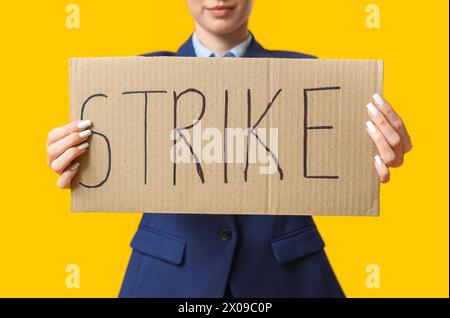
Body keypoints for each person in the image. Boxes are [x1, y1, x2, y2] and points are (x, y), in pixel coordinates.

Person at [46, 0, 412, 297]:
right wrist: (78, 160)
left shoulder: (308, 74)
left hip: (286, 278)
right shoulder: (137, 79)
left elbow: (348, 162)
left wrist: (377, 154)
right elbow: (104, 165)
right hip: (169, 278)